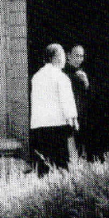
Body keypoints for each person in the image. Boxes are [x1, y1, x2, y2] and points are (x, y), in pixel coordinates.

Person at [30, 43, 78, 176]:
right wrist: (73, 121)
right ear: (56, 57)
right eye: (63, 55)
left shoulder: (36, 77)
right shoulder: (61, 77)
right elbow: (67, 102)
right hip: (58, 125)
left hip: (39, 126)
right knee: (61, 164)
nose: (64, 59)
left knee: (44, 164)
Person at [64, 44, 90, 157]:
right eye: (77, 56)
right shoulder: (63, 73)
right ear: (68, 55)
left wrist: (86, 83)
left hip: (81, 114)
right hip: (69, 115)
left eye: (81, 56)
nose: (79, 59)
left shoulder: (82, 72)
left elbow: (87, 95)